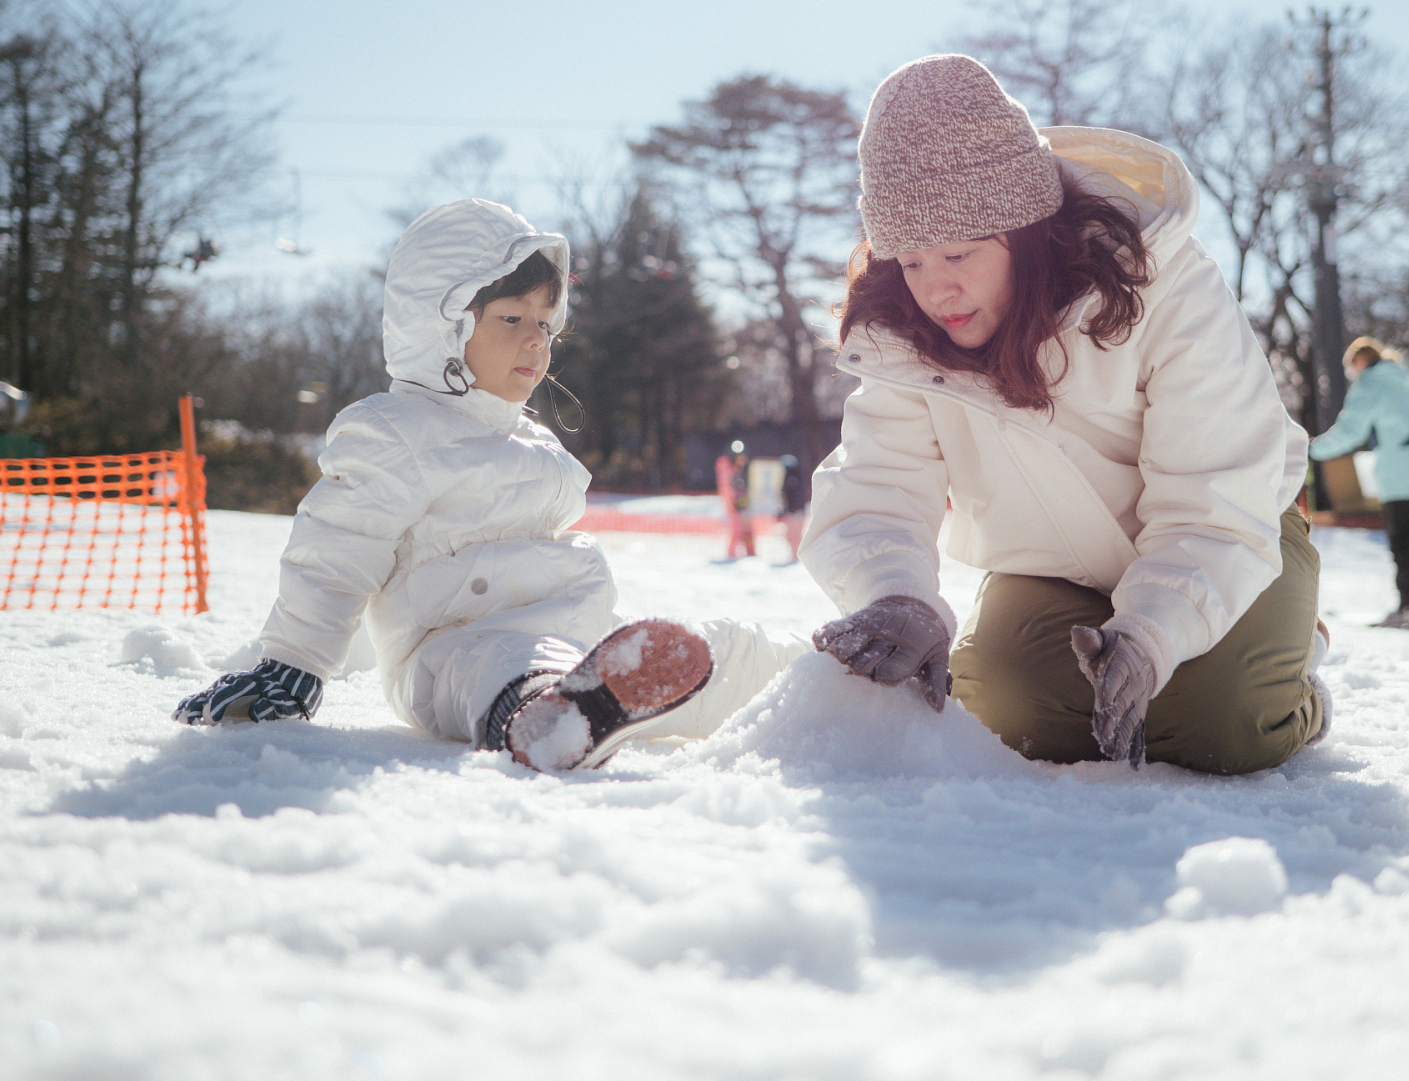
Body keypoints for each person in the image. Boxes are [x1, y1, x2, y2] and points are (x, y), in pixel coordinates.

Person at [800, 54, 1329, 775]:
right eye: (911, 261)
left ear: (1025, 232)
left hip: (1231, 537)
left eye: (958, 251)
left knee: (1224, 721)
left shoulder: (1165, 284)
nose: (935, 289)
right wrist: (896, 595)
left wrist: (1149, 634)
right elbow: (878, 480)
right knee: (996, 710)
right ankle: (1225, 656)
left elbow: (1216, 498)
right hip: (1054, 569)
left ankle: (1292, 674)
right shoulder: (906, 334)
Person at [174, 199, 798, 770]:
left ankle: (808, 676)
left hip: (569, 630)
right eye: (512, 317)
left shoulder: (528, 438)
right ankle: (549, 717)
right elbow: (338, 544)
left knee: (711, 655)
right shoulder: (396, 431)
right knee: (508, 665)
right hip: (452, 652)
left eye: (546, 324)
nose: (536, 339)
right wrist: (295, 661)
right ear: (443, 322)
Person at [1308, 336, 1409, 632]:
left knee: (1404, 544)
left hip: (1401, 478)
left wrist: (1312, 448)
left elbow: (1350, 431)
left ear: (1359, 362)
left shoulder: (1370, 384)